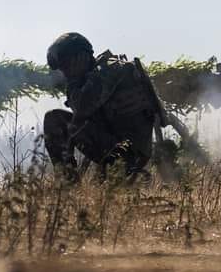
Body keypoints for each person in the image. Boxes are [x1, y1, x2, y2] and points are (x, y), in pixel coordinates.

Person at [42, 32, 159, 181]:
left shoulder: (107, 71)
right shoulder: (96, 74)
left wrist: (73, 81)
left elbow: (81, 109)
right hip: (120, 148)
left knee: (55, 119)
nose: (64, 71)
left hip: (126, 153)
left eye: (66, 64)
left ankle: (67, 184)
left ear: (81, 57)